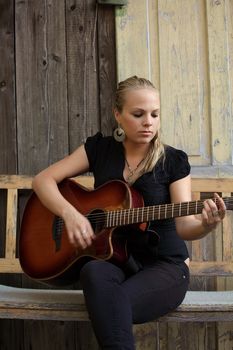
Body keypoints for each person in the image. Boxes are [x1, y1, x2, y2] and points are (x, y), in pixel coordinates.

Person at [32, 76, 226, 349]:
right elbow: (43, 180)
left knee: (110, 304)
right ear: (118, 115)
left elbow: (185, 227)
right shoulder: (99, 149)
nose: (149, 122)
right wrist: (70, 214)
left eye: (155, 114)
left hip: (165, 267)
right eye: (138, 114)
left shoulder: (172, 160)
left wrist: (207, 225)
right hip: (117, 262)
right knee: (93, 272)